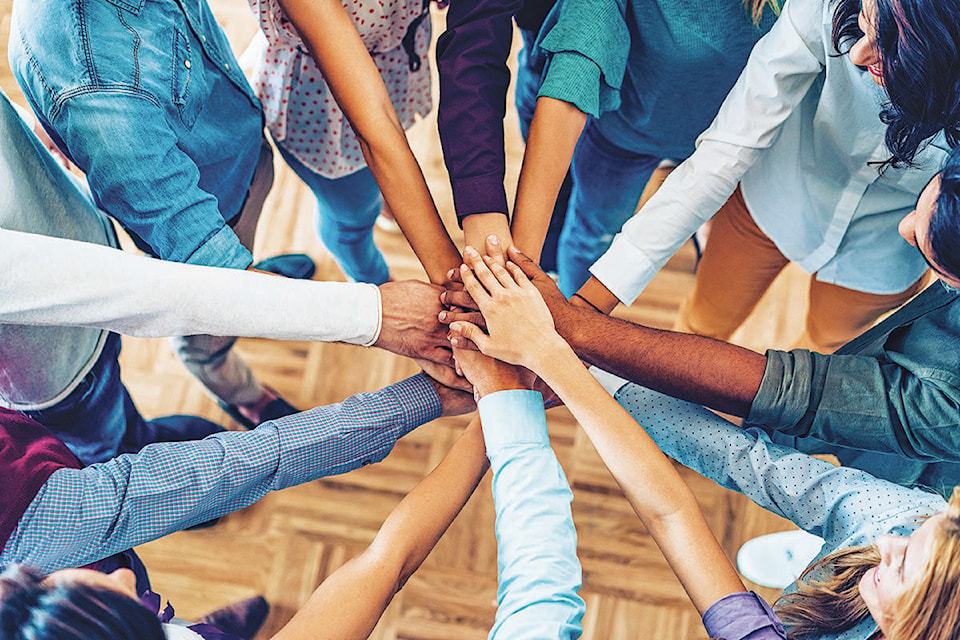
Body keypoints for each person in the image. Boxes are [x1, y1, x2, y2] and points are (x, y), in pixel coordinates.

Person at [449, 243, 960, 640]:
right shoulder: (898, 518)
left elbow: (670, 517)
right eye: (920, 536)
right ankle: (827, 558)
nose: (890, 543)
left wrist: (554, 357)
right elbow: (740, 461)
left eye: (904, 564)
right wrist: (578, 365)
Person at [0, 88, 457, 464]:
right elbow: (143, 294)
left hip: (90, 232)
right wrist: (371, 315)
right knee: (105, 432)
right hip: (50, 363)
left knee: (227, 269)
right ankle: (169, 442)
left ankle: (252, 279)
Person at [565, 0, 959, 353]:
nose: (857, 53)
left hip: (884, 252)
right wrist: (587, 308)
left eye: (891, 46)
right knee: (700, 327)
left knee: (822, 355)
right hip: (769, 201)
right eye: (863, 22)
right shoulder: (825, 6)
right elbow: (724, 150)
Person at [8, 0, 316, 427]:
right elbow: (208, 262)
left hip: (238, 167)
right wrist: (360, 316)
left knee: (243, 256)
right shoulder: (94, 82)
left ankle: (253, 264)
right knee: (208, 335)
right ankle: (241, 394)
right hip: (209, 225)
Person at [511, 0, 779, 296]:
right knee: (593, 235)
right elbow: (576, 62)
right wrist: (520, 268)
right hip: (624, 136)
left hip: (724, 138)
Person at [241, 0, 437, 285]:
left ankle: (382, 201)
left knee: (371, 182)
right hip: (323, 102)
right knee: (350, 221)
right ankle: (372, 281)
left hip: (393, 63)